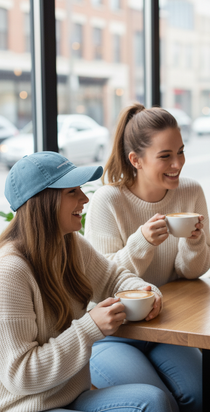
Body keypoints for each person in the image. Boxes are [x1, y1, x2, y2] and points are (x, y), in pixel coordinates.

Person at [0, 151, 173, 412]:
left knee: (155, 400)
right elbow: (21, 375)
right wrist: (90, 327)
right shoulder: (10, 272)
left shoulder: (70, 244)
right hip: (30, 407)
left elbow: (114, 278)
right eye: (72, 192)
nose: (85, 198)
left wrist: (147, 293)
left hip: (73, 397)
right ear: (42, 201)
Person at [84, 103, 210, 412]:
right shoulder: (108, 200)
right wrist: (141, 243)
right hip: (111, 335)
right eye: (165, 156)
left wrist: (195, 243)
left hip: (166, 327)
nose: (177, 164)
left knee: (202, 394)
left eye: (180, 152)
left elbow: (192, 271)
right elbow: (100, 282)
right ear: (136, 160)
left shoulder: (190, 191)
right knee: (159, 403)